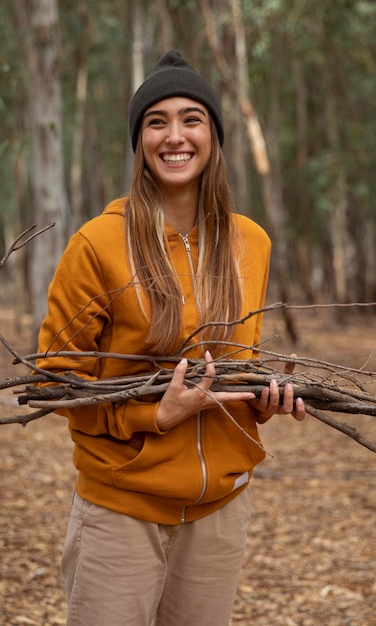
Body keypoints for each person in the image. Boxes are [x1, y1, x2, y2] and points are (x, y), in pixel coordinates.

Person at [36, 50, 305, 626]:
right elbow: (53, 381)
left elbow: (236, 369)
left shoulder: (250, 243)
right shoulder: (96, 245)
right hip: (121, 512)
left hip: (220, 512)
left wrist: (264, 399)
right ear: (139, 141)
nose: (174, 136)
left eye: (192, 119)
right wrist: (154, 417)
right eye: (156, 121)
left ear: (214, 135)